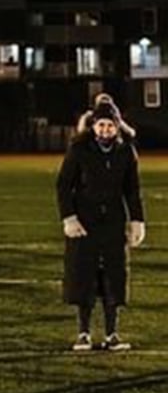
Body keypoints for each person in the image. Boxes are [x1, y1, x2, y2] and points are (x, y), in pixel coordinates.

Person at [56, 99, 145, 352]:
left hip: (113, 222)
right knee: (84, 276)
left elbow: (132, 190)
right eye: (101, 125)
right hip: (85, 222)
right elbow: (64, 185)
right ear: (93, 126)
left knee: (113, 277)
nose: (105, 130)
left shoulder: (126, 152)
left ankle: (112, 334)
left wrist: (137, 220)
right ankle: (83, 333)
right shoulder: (79, 149)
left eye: (110, 125)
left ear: (117, 127)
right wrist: (69, 217)